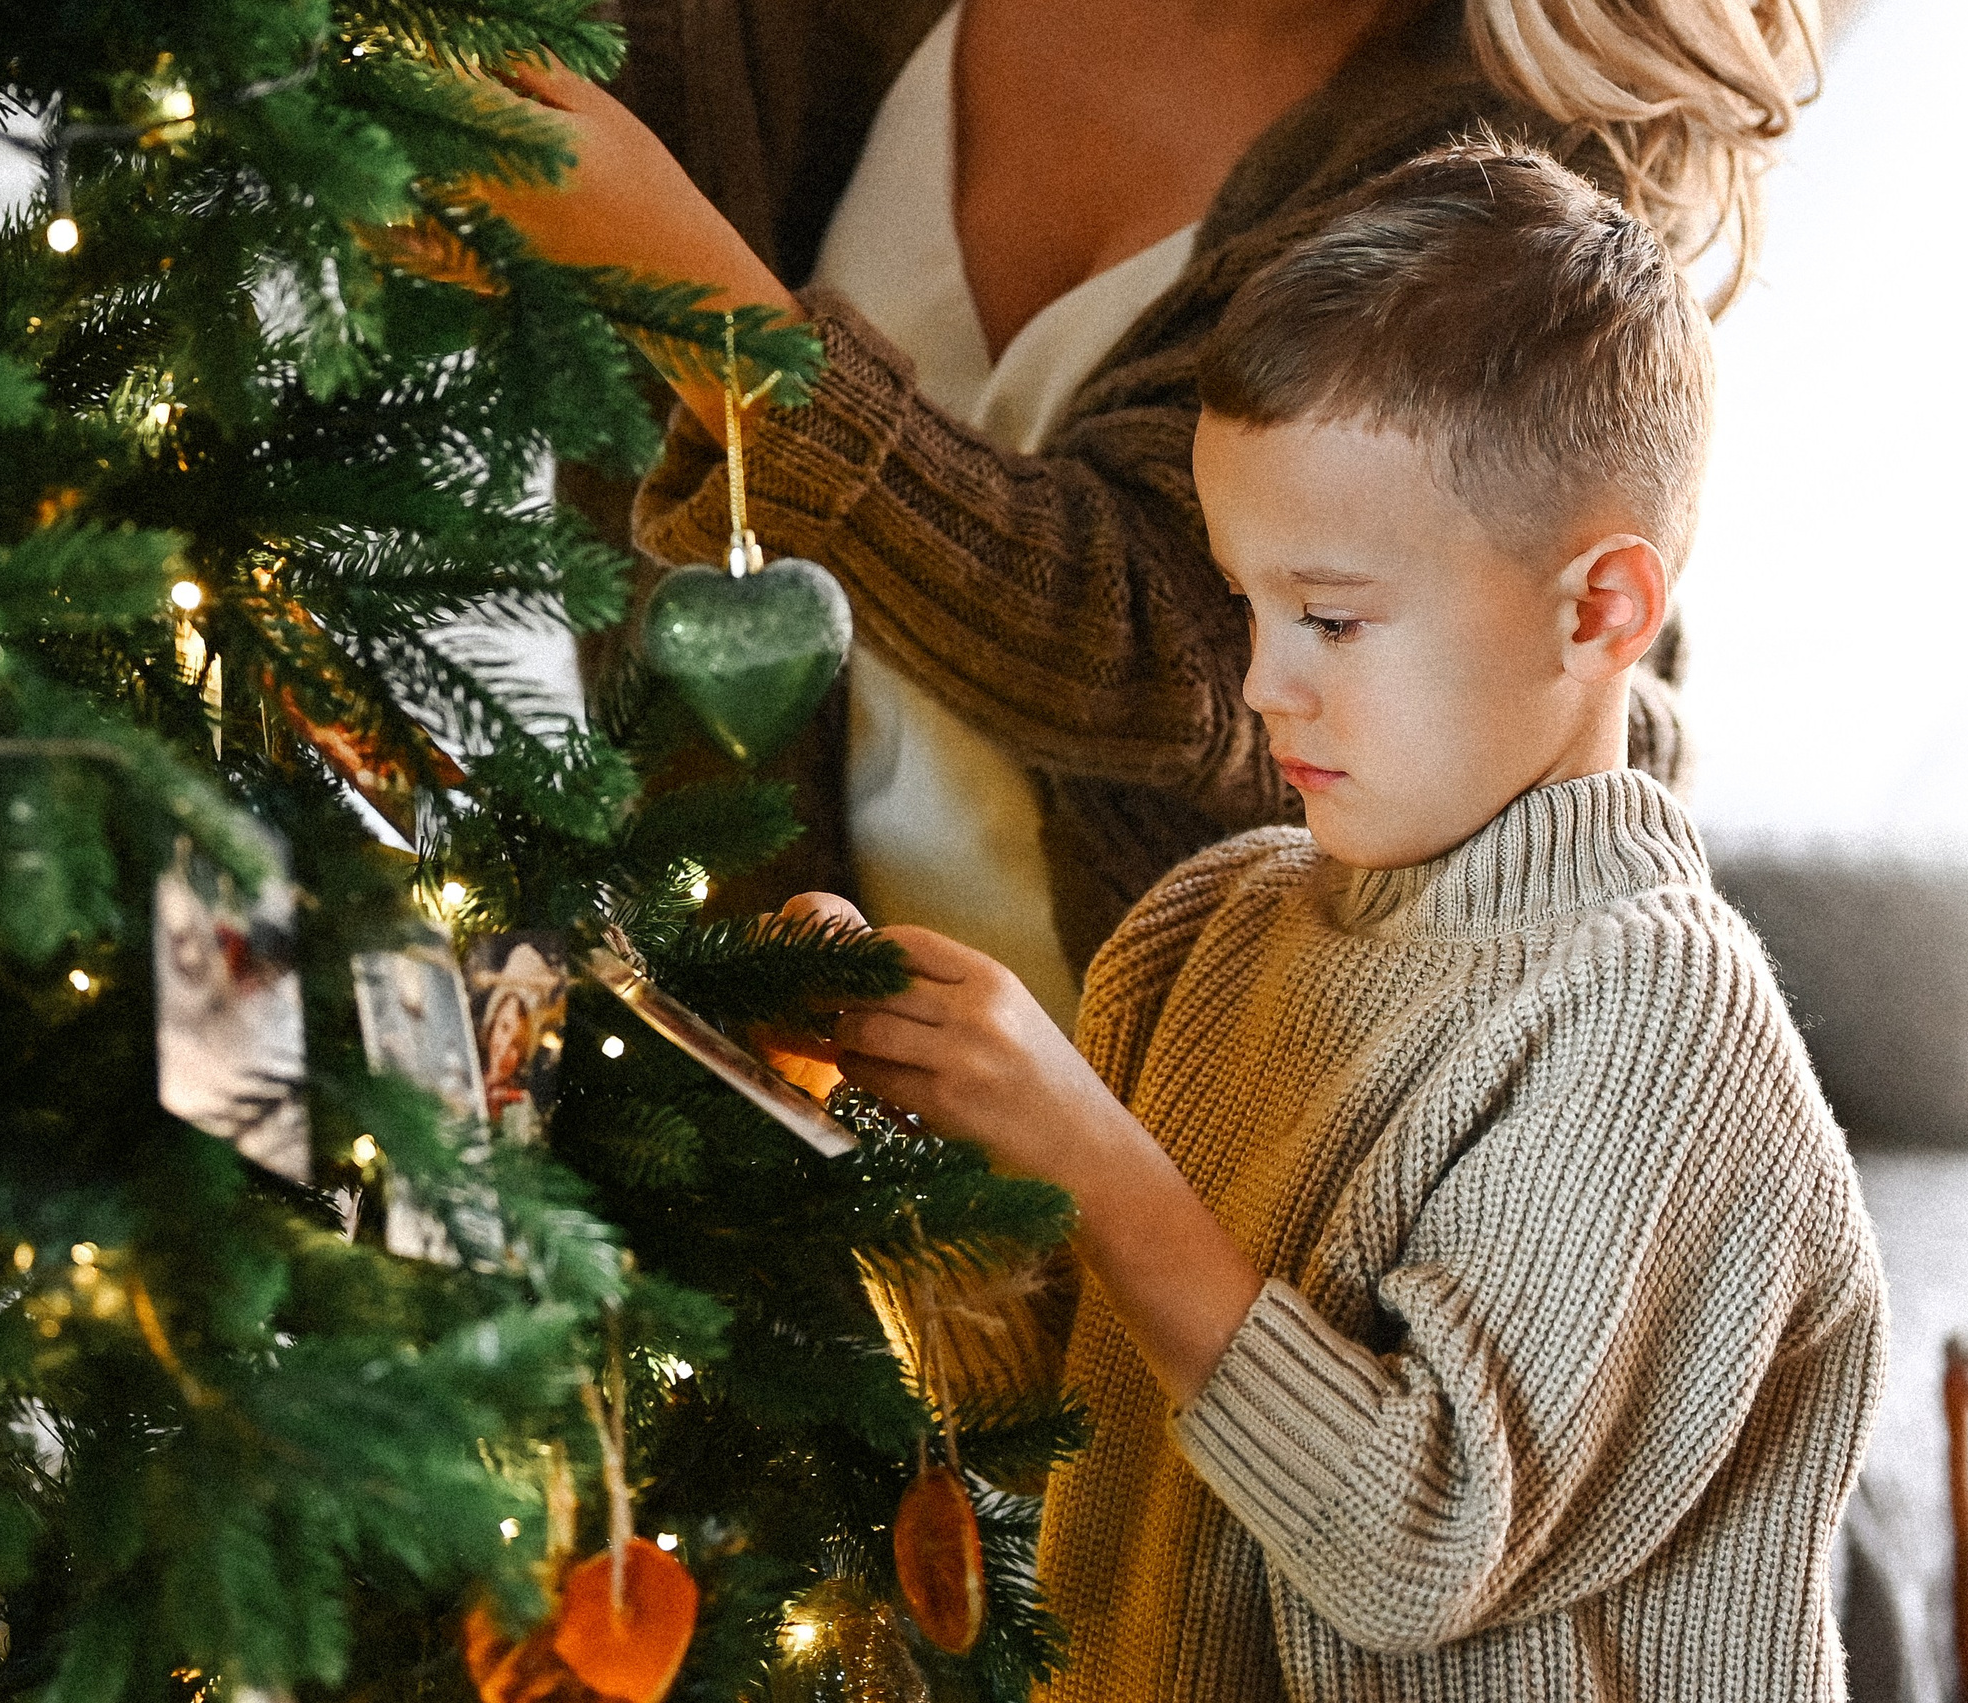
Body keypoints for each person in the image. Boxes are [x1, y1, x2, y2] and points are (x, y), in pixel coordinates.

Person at [777, 145, 1885, 1700]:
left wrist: (1091, 1151)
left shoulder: (1653, 1017)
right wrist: (878, 1123)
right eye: (1247, 605)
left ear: (1601, 611)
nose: (1259, 685)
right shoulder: (1210, 926)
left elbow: (1413, 1544)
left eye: (1334, 619)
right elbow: (1097, 1404)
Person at [477, 0, 1819, 1028]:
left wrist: (717, 321)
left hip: (1265, 1164)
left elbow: (1195, 656)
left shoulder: (1526, 145)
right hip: (769, 1106)